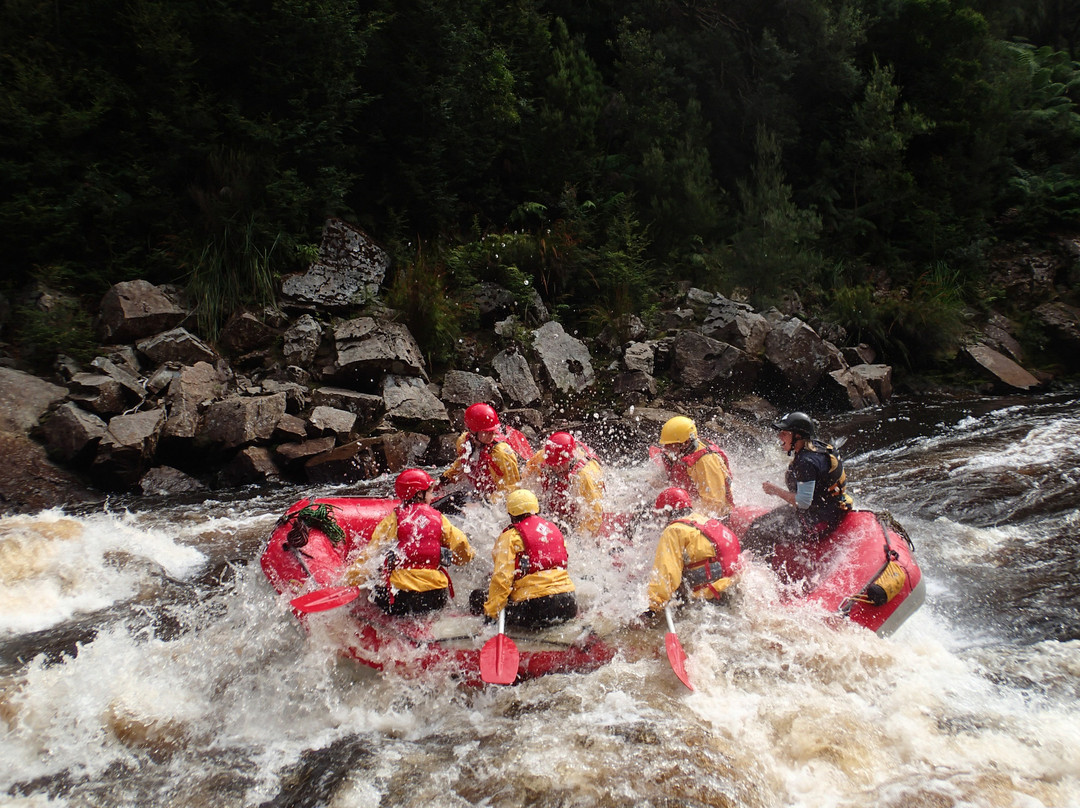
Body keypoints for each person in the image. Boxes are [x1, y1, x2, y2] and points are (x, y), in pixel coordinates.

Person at [343, 468, 475, 615]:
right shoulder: (440, 519)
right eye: (430, 492)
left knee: (376, 580)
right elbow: (462, 546)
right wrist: (459, 559)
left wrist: (350, 581)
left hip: (401, 597)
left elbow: (370, 555)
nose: (432, 497)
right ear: (419, 494)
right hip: (435, 597)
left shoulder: (393, 520)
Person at [471, 488, 577, 629]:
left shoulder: (510, 537)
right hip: (569, 603)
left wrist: (491, 614)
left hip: (536, 608)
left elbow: (502, 579)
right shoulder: (554, 530)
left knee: (478, 596)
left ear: (511, 514)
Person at [638, 487, 741, 621]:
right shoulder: (706, 521)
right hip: (734, 586)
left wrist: (651, 609)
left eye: (661, 515)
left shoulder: (674, 530)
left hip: (708, 597)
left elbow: (666, 575)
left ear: (668, 511)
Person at [755, 411, 853, 543]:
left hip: (820, 520)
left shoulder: (806, 461)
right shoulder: (817, 448)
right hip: (827, 510)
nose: (779, 437)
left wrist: (774, 490)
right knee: (758, 523)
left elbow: (803, 502)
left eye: (784, 433)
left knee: (758, 533)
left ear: (798, 436)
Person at [523, 431, 605, 537]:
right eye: (553, 465)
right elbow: (527, 475)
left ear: (571, 459)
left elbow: (594, 515)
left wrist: (581, 539)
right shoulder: (546, 455)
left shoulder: (585, 475)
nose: (557, 468)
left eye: (561, 464)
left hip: (587, 493)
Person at [651, 415, 734, 518]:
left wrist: (682, 508)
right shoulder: (680, 452)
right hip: (687, 503)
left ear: (685, 443)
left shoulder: (706, 461)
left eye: (670, 445)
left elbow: (715, 506)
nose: (666, 448)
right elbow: (663, 480)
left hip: (716, 517)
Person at [440, 402, 523, 503]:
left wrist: (484, 502)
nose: (492, 434)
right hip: (482, 492)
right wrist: (443, 480)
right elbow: (460, 466)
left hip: (496, 498)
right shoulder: (464, 442)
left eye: (493, 430)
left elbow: (510, 491)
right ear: (472, 431)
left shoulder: (500, 454)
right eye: (486, 431)